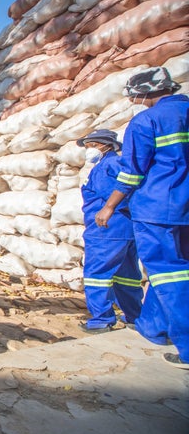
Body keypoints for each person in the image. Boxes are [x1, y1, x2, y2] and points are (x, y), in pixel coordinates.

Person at [94, 67, 189, 370]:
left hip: (159, 208)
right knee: (174, 272)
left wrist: (109, 206)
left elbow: (132, 172)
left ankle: (186, 345)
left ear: (143, 92)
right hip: (183, 207)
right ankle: (153, 328)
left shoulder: (146, 121)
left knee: (169, 274)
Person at [76, 129, 143, 333]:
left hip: (106, 229)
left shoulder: (108, 166)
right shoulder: (115, 164)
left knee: (97, 273)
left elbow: (117, 194)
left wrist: (108, 209)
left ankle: (101, 320)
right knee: (126, 274)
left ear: (106, 145)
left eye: (92, 146)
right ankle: (135, 316)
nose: (89, 151)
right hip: (124, 228)